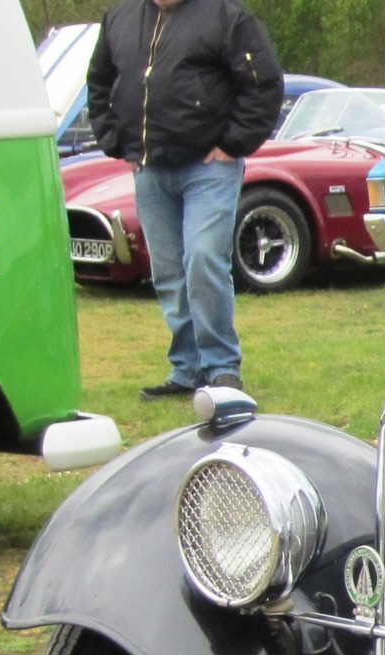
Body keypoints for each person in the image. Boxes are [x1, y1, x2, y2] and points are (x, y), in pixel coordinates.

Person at [87, 0, 282, 399]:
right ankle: (186, 369)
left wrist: (233, 143)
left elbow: (262, 84)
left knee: (203, 259)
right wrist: (116, 139)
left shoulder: (227, 17)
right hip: (150, 169)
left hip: (208, 169)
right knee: (169, 271)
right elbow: (98, 83)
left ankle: (222, 368)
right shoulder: (119, 20)